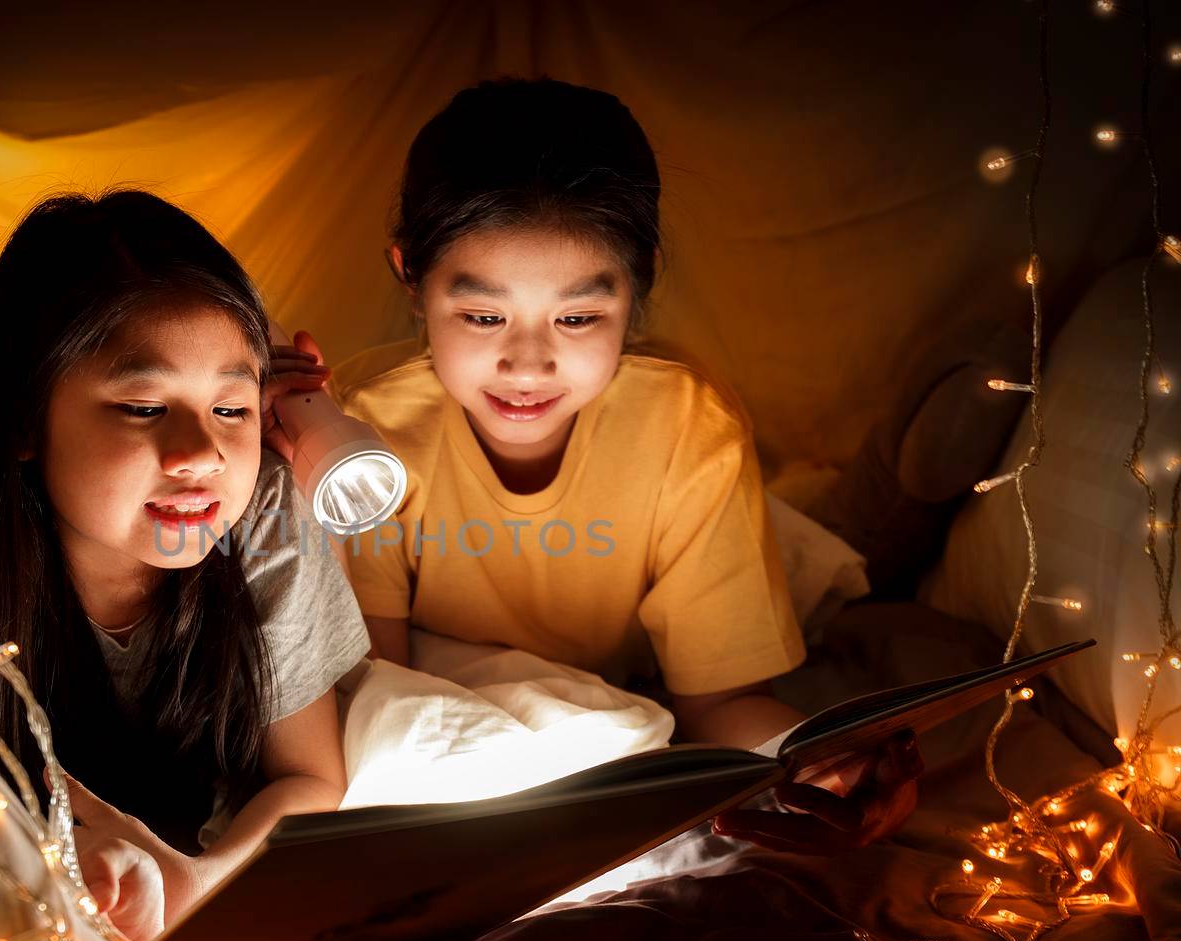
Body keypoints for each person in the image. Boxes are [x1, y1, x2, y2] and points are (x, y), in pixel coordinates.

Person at [315, 78, 919, 854]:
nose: (527, 363)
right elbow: (381, 694)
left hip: (659, 614)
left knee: (835, 554)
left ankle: (899, 485)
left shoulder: (684, 426)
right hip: (475, 674)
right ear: (410, 276)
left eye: (577, 317)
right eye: (482, 316)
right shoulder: (364, 434)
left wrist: (822, 762)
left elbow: (721, 701)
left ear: (639, 284)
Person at [0, 189, 366, 941]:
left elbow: (310, 775)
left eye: (229, 409)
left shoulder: (263, 511)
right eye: (142, 407)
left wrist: (196, 884)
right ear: (23, 421)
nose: (200, 454)